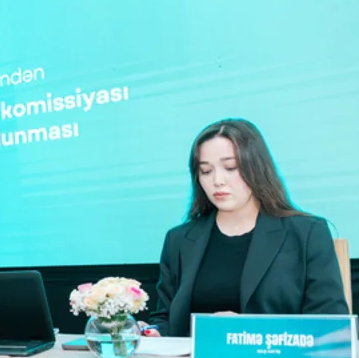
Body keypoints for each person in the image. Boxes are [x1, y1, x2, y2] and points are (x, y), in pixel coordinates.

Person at [145, 118, 348, 337]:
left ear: (256, 168)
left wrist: (247, 331)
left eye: (230, 167)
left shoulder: (307, 233)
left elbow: (330, 327)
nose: (217, 180)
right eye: (206, 171)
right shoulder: (179, 239)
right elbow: (166, 319)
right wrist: (150, 332)